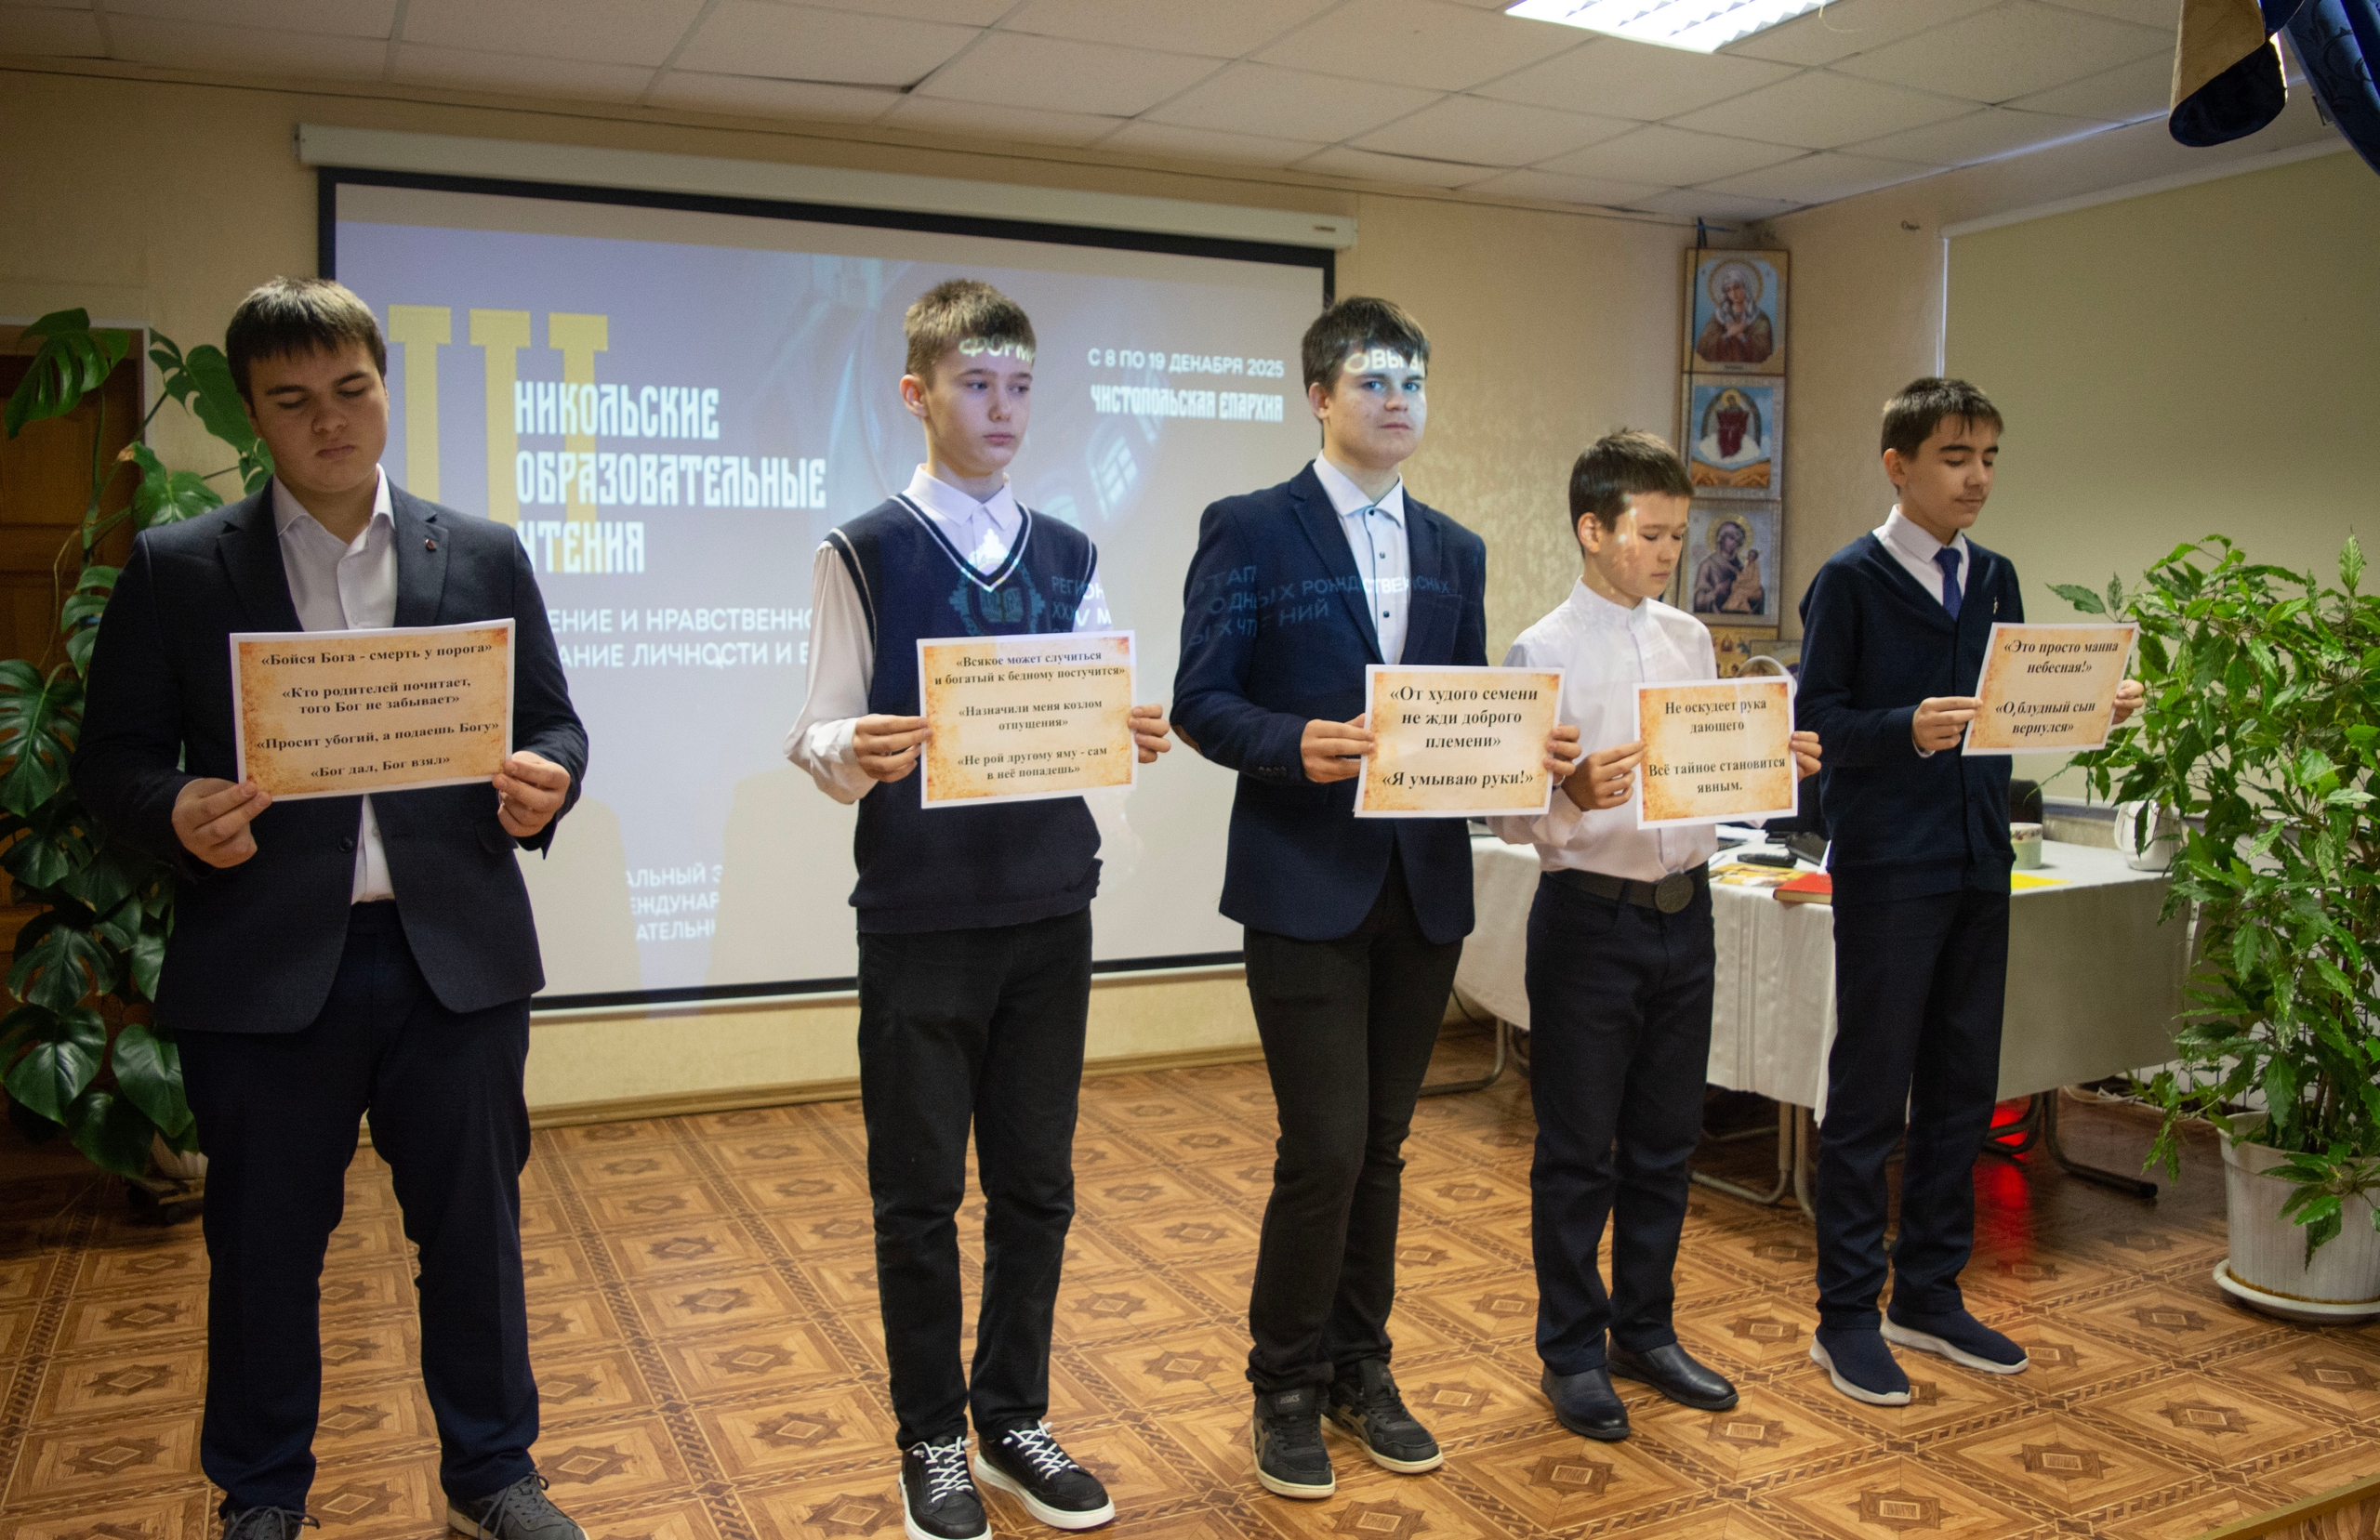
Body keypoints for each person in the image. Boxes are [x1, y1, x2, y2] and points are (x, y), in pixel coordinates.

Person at [72, 278, 588, 1540]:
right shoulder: (181, 568)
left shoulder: (480, 552)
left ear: (383, 388)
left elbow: (553, 722)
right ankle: (261, 1492)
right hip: (263, 970)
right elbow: (112, 765)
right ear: (254, 414)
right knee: (262, 1248)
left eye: (352, 389)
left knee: (474, 1236)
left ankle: (491, 1474)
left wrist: (551, 778)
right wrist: (175, 804)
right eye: (293, 400)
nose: (331, 421)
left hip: (454, 961)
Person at [1171, 297, 1579, 1501]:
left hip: (1422, 886)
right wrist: (1293, 742)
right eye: (1372, 381)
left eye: (1413, 382)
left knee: (1384, 1151)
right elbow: (1201, 698)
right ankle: (1283, 1386)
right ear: (1319, 396)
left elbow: (1462, 713)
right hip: (1300, 883)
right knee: (1325, 1148)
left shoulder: (1455, 547)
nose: (1397, 400)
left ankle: (1362, 1368)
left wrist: (1528, 750)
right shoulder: (1250, 528)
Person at [783, 278, 1170, 1540]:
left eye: (1018, 386)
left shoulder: (1068, 553)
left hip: (1051, 909)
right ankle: (930, 1440)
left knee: (1036, 1186)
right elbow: (815, 729)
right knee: (916, 1201)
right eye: (974, 383)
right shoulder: (863, 549)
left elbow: (1091, 699)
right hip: (920, 915)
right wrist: (853, 748)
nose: (1001, 408)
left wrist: (1126, 729)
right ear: (917, 392)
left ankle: (1011, 1419)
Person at [1795, 378, 2141, 1405]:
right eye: (1955, 457)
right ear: (1898, 465)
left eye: (1988, 456)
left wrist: (2090, 708)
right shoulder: (1849, 581)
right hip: (1888, 870)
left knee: (1960, 1090)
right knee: (1869, 1097)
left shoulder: (1994, 576)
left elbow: (2010, 715)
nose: (1977, 476)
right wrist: (1902, 728)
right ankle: (1845, 1315)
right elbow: (1818, 726)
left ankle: (1928, 1293)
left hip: (1981, 863)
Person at [1491, 431, 1819, 1441]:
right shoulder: (1539, 650)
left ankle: (1645, 1328)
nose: (1670, 552)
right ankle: (1571, 1350)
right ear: (1592, 530)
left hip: (1689, 912)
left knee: (1667, 1142)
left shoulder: (1689, 639)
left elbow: (1708, 774)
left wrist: (1774, 758)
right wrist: (1565, 793)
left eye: (1680, 533)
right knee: (1577, 1151)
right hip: (1589, 919)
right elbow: (1505, 814)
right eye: (1651, 532)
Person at [1694, 262, 1774, 366]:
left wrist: (1741, 336)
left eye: (1737, 287)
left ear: (1745, 287)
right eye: (1728, 290)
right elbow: (1703, 346)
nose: (1733, 293)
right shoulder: (1719, 316)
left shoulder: (1759, 317)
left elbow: (1764, 350)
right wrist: (1728, 335)